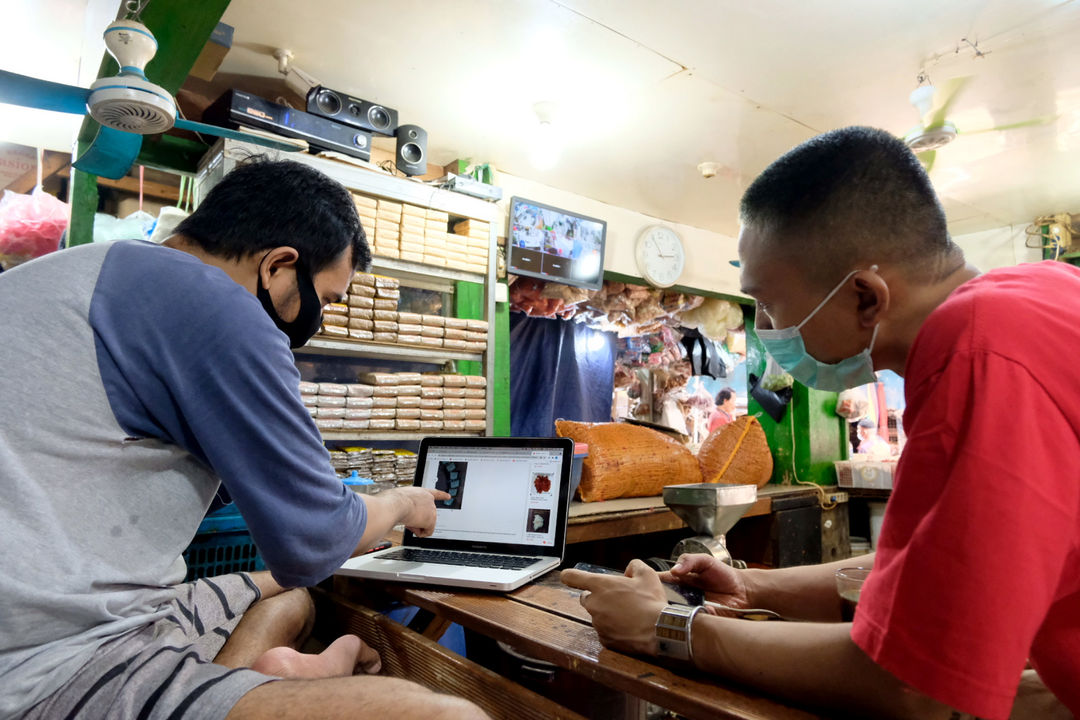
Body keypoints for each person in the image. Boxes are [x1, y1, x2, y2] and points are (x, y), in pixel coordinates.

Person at [563, 126, 1078, 720]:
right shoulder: (1043, 292)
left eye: (770, 305)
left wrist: (671, 628)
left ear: (865, 296)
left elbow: (911, 685)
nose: (766, 328)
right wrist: (752, 588)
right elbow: (925, 568)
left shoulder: (979, 356)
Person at [0, 158, 486, 720]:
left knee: (287, 600)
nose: (317, 322)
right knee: (442, 715)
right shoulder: (214, 304)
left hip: (89, 606)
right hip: (45, 662)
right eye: (323, 300)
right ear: (279, 266)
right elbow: (314, 541)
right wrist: (402, 502)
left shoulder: (87, 269)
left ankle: (245, 683)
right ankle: (245, 689)